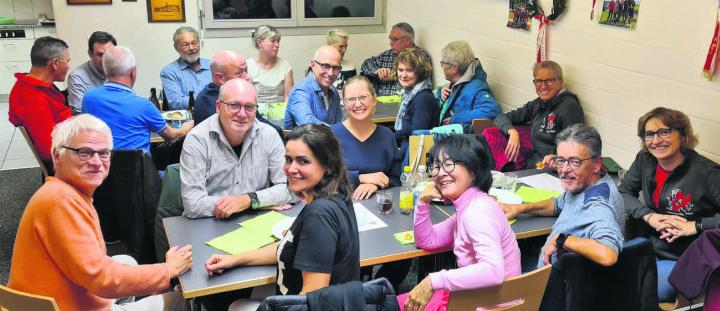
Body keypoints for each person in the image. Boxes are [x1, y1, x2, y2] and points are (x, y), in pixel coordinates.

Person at [7, 114, 192, 311]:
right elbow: (101, 279)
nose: (96, 162)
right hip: (64, 306)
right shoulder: (61, 202)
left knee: (126, 261)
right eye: (84, 152)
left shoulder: (61, 191)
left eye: (103, 153)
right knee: (180, 300)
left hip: (49, 294)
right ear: (57, 156)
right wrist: (167, 270)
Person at [204, 124, 360, 309]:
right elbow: (292, 245)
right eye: (288, 159)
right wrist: (235, 258)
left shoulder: (319, 215)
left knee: (235, 305)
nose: (291, 169)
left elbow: (312, 299)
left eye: (303, 161)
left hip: (303, 303)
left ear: (327, 166)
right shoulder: (336, 195)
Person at [399, 135, 521, 311]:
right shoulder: (468, 207)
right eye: (436, 166)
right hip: (478, 299)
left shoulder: (478, 212)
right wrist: (423, 202)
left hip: (489, 305)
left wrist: (434, 280)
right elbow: (427, 240)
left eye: (449, 164)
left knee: (390, 304)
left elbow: (493, 270)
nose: (440, 173)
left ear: (473, 168)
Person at [619, 107, 720, 303]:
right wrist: (649, 216)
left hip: (683, 259)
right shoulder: (645, 160)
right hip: (648, 247)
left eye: (664, 132)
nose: (656, 140)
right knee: (602, 272)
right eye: (649, 134)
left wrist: (697, 225)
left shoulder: (708, 173)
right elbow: (622, 192)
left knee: (638, 291)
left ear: (683, 135)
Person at [502, 124, 624, 268]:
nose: (565, 170)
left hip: (558, 285)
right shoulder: (586, 186)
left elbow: (608, 254)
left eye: (574, 162)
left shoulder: (597, 203)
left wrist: (561, 240)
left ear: (596, 164)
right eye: (561, 161)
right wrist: (520, 208)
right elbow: (558, 204)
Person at [181, 78, 293, 219]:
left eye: (249, 107)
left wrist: (249, 200)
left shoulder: (269, 135)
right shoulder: (197, 139)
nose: (242, 114)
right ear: (218, 107)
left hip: (256, 223)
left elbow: (290, 189)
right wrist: (254, 203)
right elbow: (193, 203)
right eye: (234, 105)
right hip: (209, 223)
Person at [83, 46, 193, 154]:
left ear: (105, 71)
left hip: (101, 168)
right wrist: (185, 127)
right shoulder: (144, 106)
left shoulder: (89, 98)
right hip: (139, 170)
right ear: (133, 72)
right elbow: (172, 136)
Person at [494, 60, 584, 169]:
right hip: (533, 165)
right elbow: (500, 117)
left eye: (549, 81)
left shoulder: (569, 107)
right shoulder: (537, 104)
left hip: (553, 169)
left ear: (560, 81)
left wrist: (556, 159)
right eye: (538, 81)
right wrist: (512, 131)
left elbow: (576, 146)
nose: (543, 86)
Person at [8, 36, 72, 170]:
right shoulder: (33, 98)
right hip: (66, 162)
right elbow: (50, 151)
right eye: (67, 61)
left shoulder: (34, 85)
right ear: (55, 63)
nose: (68, 66)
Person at [331, 76, 396, 200]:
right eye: (351, 99)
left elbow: (396, 177)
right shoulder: (331, 135)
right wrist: (361, 178)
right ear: (344, 103)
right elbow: (322, 177)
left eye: (363, 97)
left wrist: (375, 185)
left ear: (374, 99)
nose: (358, 104)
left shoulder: (387, 135)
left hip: (380, 207)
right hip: (340, 206)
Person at [192, 50, 282, 136]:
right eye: (239, 73)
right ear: (220, 78)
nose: (247, 77)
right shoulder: (223, 102)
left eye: (246, 71)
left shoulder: (204, 94)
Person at [437, 40, 499, 128]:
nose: (442, 66)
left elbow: (492, 110)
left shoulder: (477, 88)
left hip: (459, 138)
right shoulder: (457, 82)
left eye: (443, 63)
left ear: (454, 68)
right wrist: (441, 91)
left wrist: (457, 118)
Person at [361, 22, 431, 96]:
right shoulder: (388, 54)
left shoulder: (420, 56)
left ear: (407, 40)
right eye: (390, 39)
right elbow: (366, 64)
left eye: (394, 39)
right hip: (379, 100)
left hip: (405, 100)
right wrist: (377, 71)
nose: (391, 43)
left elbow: (422, 77)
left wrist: (394, 75)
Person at [284, 45, 343, 129]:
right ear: (312, 64)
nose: (331, 73)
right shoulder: (300, 91)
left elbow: (338, 124)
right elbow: (307, 124)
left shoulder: (334, 91)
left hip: (327, 141)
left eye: (336, 68)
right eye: (325, 66)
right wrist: (337, 131)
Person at [393, 47, 439, 156]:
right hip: (405, 149)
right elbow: (404, 132)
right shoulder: (409, 94)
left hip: (413, 156)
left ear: (420, 73)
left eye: (409, 70)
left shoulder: (423, 99)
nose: (403, 75)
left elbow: (417, 140)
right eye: (400, 70)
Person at [161, 26, 211, 110]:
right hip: (188, 120)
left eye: (194, 43)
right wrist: (210, 99)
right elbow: (176, 102)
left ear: (199, 44)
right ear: (176, 47)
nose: (191, 48)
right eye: (185, 45)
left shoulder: (213, 65)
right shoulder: (169, 72)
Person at [67, 31, 116, 114]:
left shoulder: (118, 69)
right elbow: (79, 114)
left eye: (109, 53)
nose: (106, 59)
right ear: (90, 54)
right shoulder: (77, 77)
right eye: (100, 55)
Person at [247, 25, 294, 114]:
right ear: (260, 43)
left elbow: (288, 99)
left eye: (278, 41)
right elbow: (247, 99)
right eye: (273, 41)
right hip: (255, 115)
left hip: (280, 114)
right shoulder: (248, 66)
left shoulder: (285, 66)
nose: (277, 45)